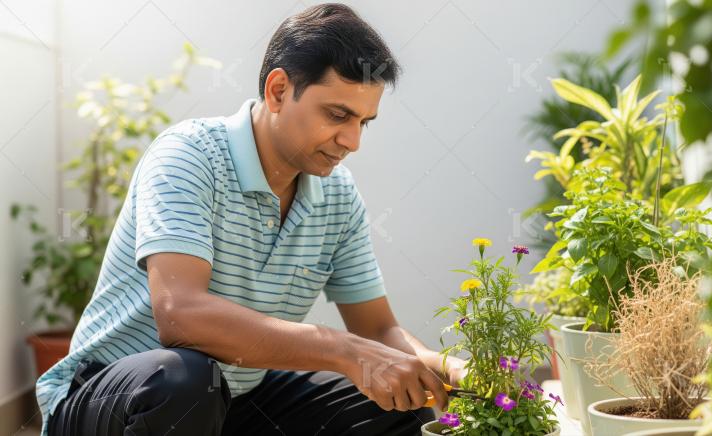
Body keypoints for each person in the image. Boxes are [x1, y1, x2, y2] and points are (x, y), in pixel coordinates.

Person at [35, 3, 466, 435]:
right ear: (278, 90)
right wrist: (341, 349)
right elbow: (180, 316)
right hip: (115, 399)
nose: (351, 141)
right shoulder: (190, 156)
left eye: (363, 123)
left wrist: (453, 370)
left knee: (398, 406)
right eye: (337, 115)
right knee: (185, 379)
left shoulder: (337, 194)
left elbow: (377, 328)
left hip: (235, 400)